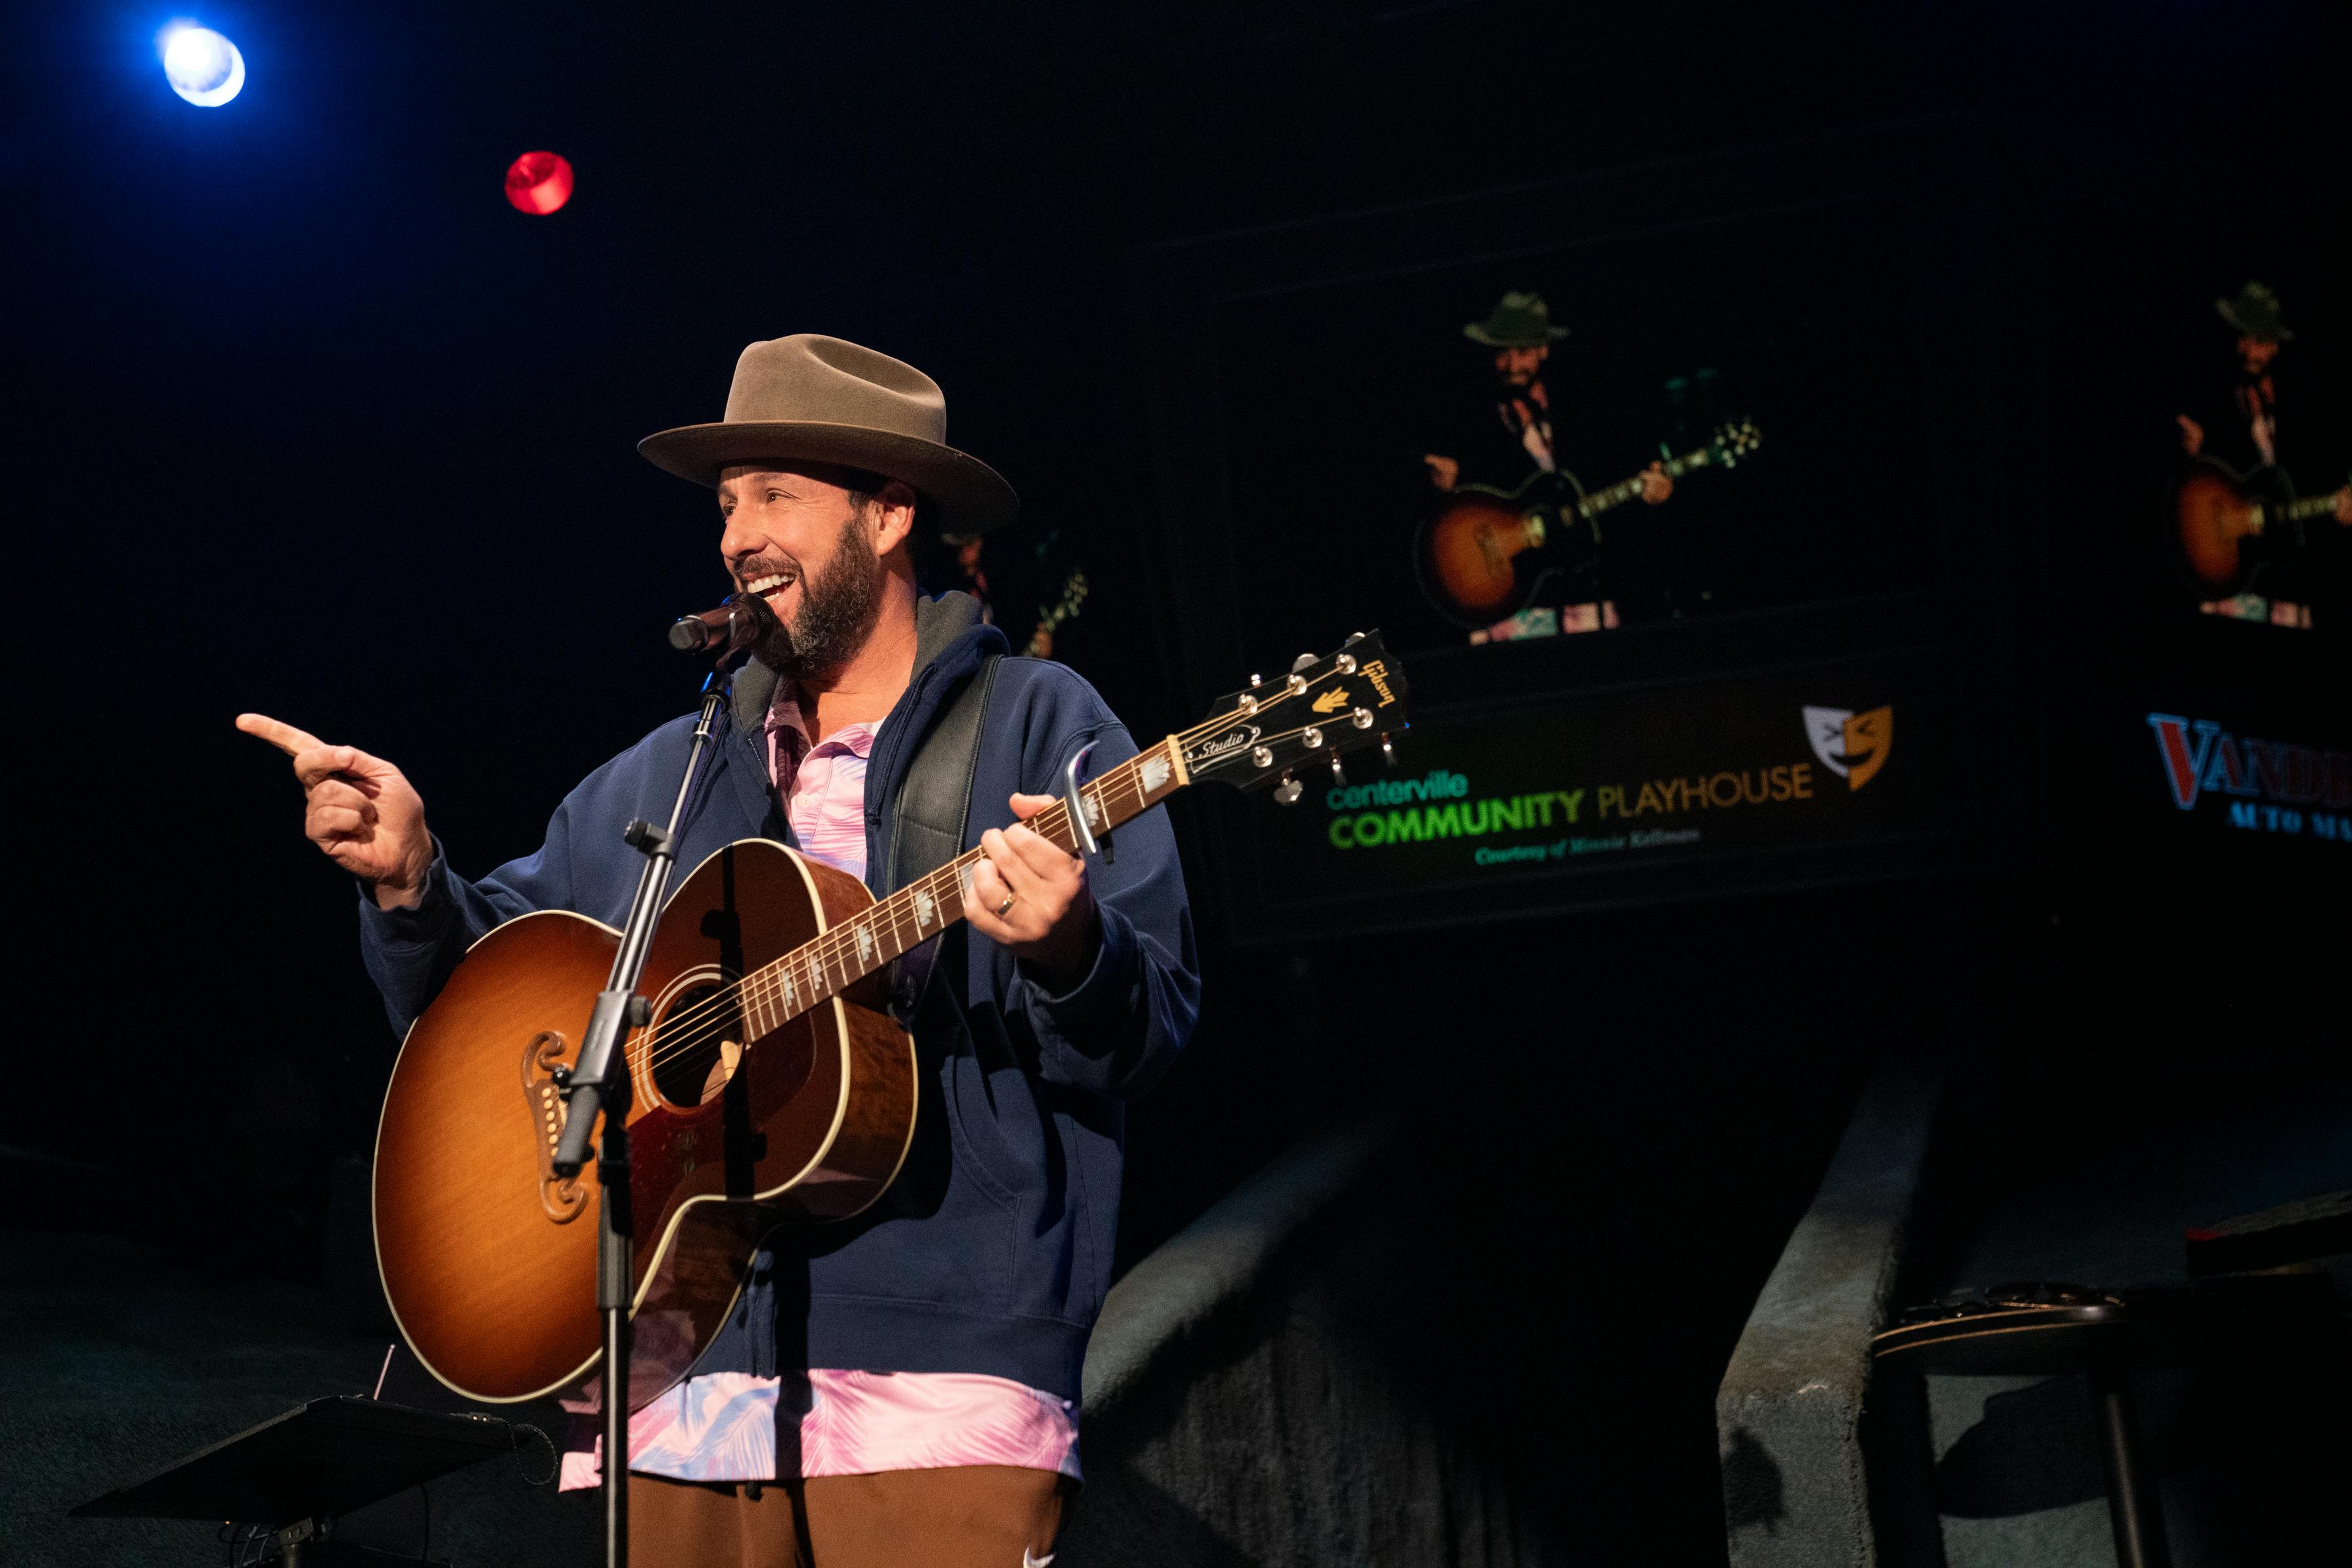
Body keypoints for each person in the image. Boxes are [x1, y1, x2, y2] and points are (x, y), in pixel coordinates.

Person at [238, 333, 1200, 1568]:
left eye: (778, 495)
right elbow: (503, 989)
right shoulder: (677, 766)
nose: (739, 533)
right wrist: (415, 886)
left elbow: (1156, 1019)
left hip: (936, 1386)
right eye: (728, 500)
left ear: (890, 513)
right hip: (675, 1388)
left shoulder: (1039, 727)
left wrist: (1072, 947)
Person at [1422, 290, 1673, 640]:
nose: (1511, 365)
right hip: (1506, 601)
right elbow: (1452, 525)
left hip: (1583, 596)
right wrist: (1444, 489)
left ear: (1543, 350)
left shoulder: (1583, 411)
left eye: (1522, 352)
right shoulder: (1467, 419)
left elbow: (1616, 486)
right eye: (1502, 354)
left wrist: (1654, 492)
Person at [2174, 280, 2352, 629]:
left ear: (2274, 346)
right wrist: (2191, 453)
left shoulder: (2304, 401)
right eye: (2242, 337)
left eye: (2257, 340)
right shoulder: (2218, 396)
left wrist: (2345, 494)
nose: (2246, 348)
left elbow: (2331, 456)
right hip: (2238, 580)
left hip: (2299, 577)